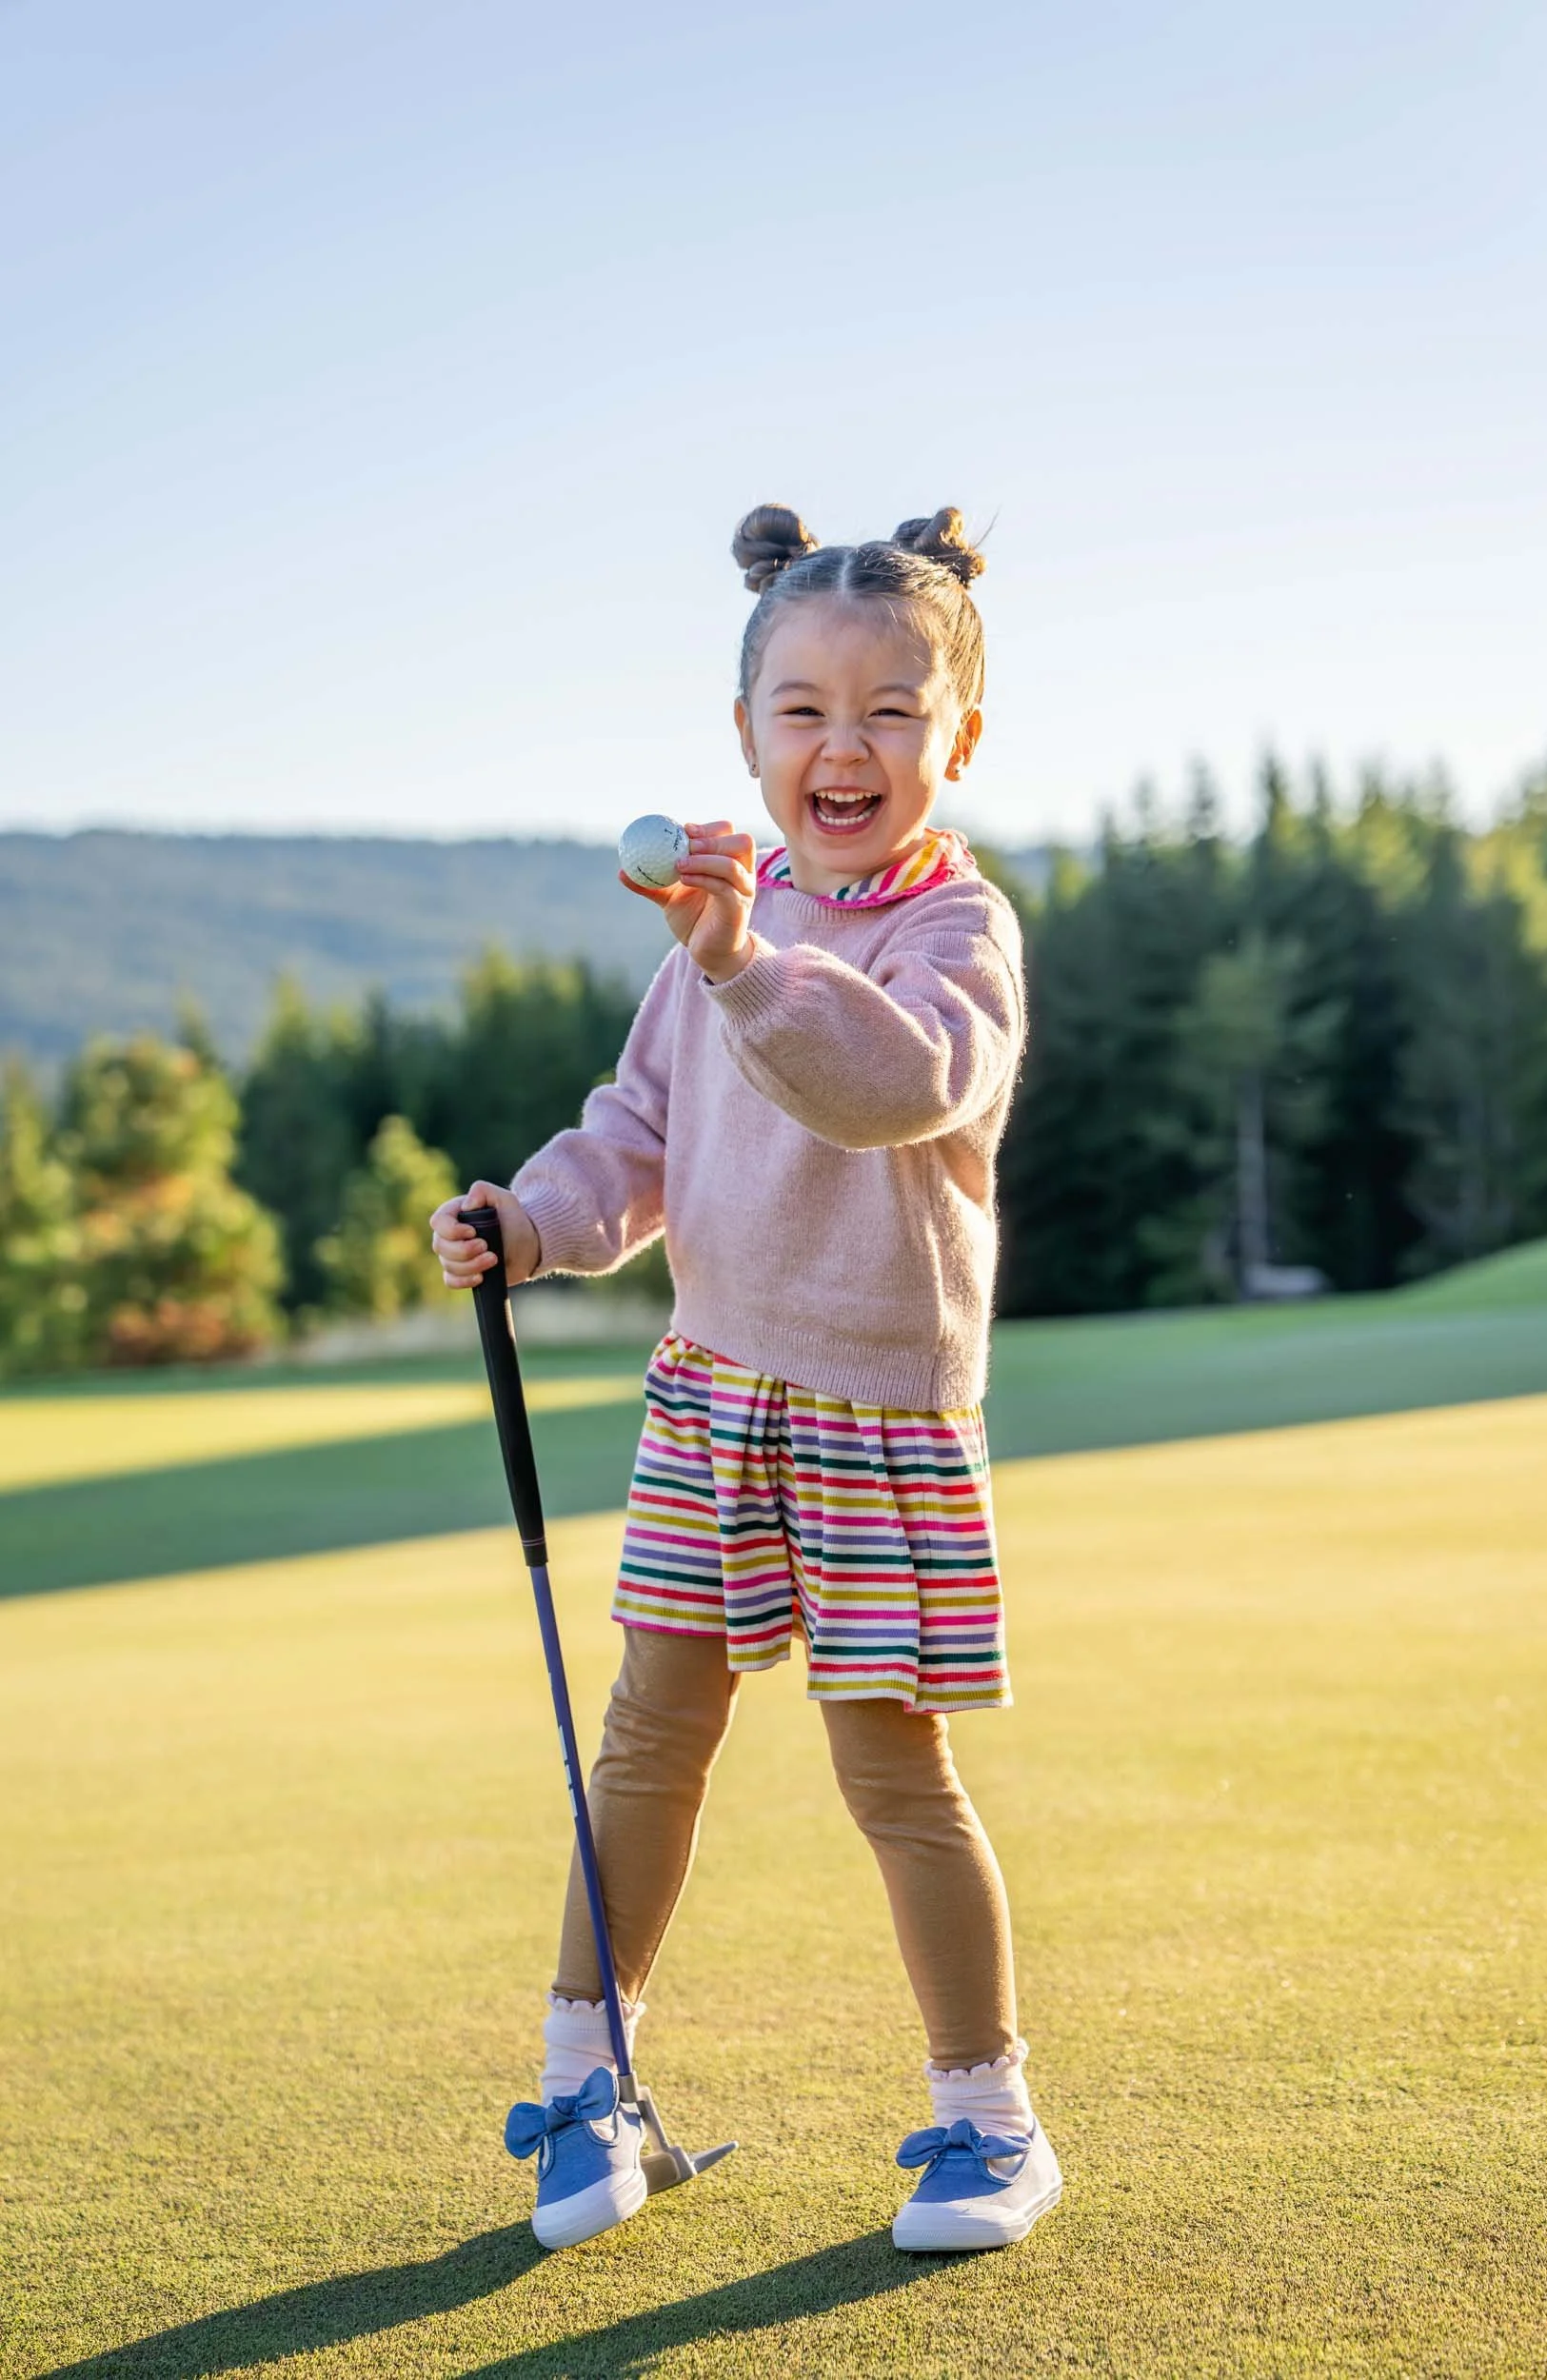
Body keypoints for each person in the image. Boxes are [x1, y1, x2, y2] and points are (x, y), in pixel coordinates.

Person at [431, 503, 1061, 2254]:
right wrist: (531, 1222)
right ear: (745, 738)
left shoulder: (958, 934)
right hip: (715, 1390)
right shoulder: (722, 925)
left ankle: (985, 2122)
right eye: (802, 710)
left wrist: (736, 958)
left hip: (876, 1408)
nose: (841, 748)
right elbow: (637, 1133)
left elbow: (891, 1082)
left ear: (959, 740)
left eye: (886, 712)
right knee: (649, 1743)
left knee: (891, 1774)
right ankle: (586, 2075)